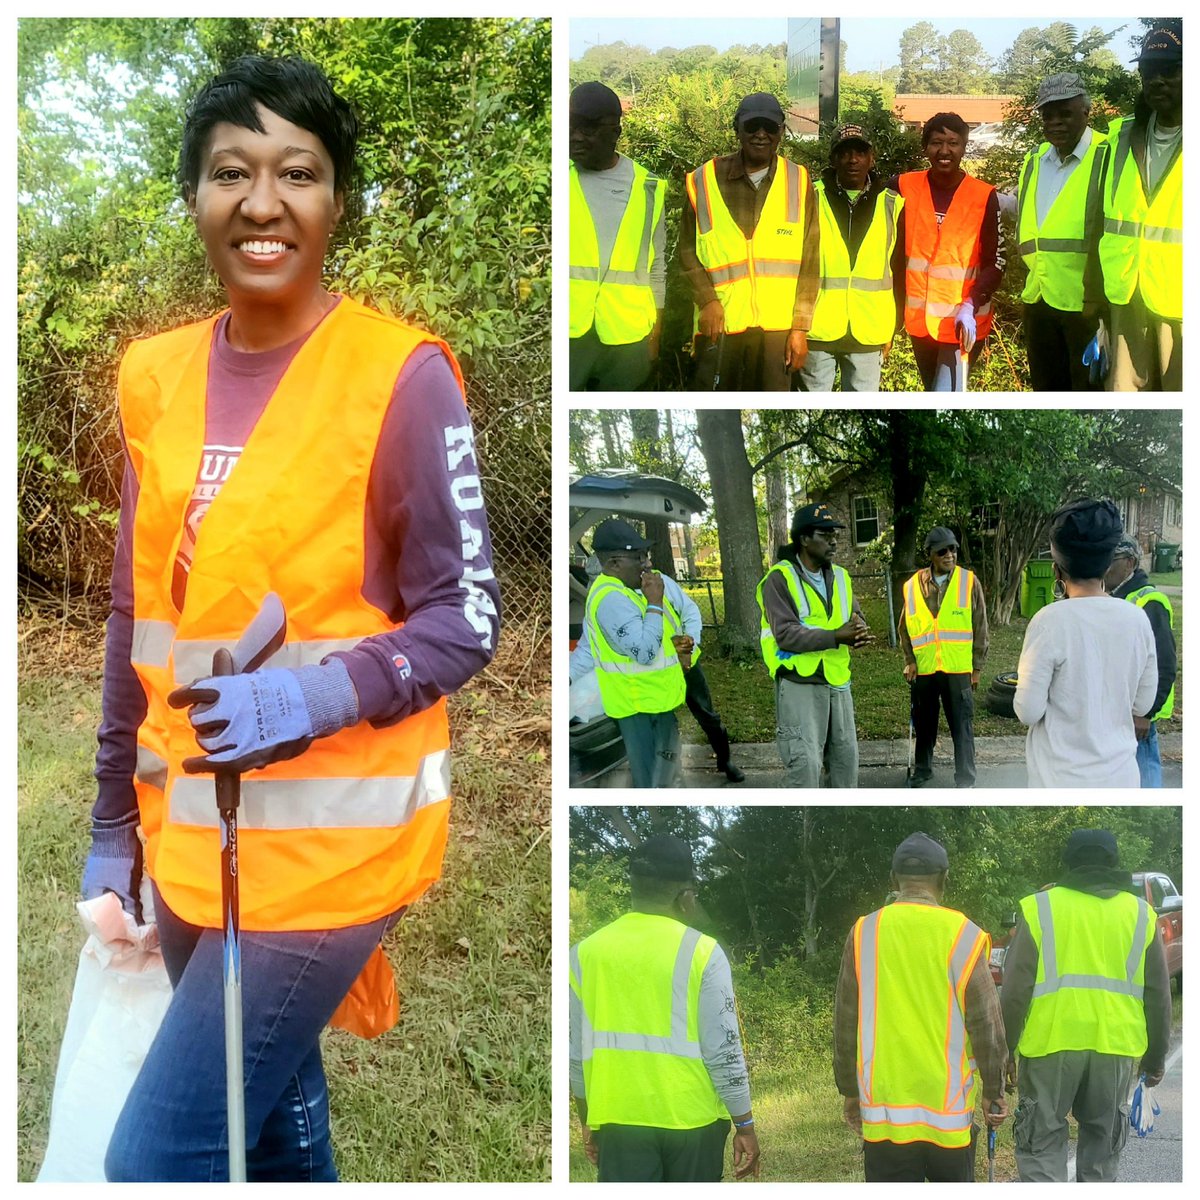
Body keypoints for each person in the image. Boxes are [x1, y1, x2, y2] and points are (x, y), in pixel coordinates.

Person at [80, 56, 500, 1182]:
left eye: (297, 173)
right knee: (269, 1101)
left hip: (329, 851)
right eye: (231, 172)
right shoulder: (154, 377)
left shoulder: (399, 377)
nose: (262, 202)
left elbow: (465, 620)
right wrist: (112, 823)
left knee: (155, 1157)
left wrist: (311, 693)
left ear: (336, 201)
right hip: (187, 837)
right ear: (195, 198)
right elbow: (138, 614)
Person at [569, 834, 760, 1183]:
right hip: (693, 1123)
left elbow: (576, 1053)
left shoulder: (585, 953)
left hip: (618, 1118)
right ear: (684, 896)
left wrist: (586, 1119)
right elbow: (724, 1050)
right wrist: (744, 1123)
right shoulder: (703, 952)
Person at [834, 833, 1008, 1183]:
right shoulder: (965, 934)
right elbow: (986, 1026)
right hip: (948, 1113)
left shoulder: (864, 931)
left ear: (893, 879)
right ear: (944, 879)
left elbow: (845, 1022)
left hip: (884, 1112)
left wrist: (850, 1091)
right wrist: (994, 1092)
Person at [1000, 829, 1171, 1182]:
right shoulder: (1141, 914)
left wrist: (1004, 1051)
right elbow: (1158, 993)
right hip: (1115, 1048)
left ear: (1068, 862)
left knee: (1041, 1146)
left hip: (1050, 1046)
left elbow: (1015, 991)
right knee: (1101, 1152)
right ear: (1114, 863)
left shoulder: (1039, 908)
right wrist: (1155, 1059)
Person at [681, 91, 819, 391]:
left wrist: (800, 328)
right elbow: (686, 251)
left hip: (777, 330)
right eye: (752, 126)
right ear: (737, 129)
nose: (760, 134)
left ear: (781, 131)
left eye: (769, 127)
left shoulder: (799, 180)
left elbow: (810, 260)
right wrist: (707, 301)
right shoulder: (702, 181)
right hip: (720, 323)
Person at [1013, 500, 1155, 788]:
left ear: (1057, 569)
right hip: (1121, 777)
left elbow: (1027, 712)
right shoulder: (1137, 619)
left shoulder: (1048, 622)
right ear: (1106, 564)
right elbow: (1143, 704)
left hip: (1057, 779)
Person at [570, 555, 744, 782]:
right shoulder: (605, 600)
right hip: (654, 679)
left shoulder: (659, 583)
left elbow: (689, 610)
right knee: (666, 731)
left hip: (686, 664)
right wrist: (568, 675)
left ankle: (725, 760)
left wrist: (690, 644)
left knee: (706, 713)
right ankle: (672, 777)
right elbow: (588, 647)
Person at [755, 503, 873, 788]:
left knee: (846, 767)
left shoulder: (841, 577)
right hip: (800, 683)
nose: (834, 540)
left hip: (838, 682)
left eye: (836, 534)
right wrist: (836, 636)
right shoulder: (779, 579)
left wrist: (858, 630)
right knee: (805, 771)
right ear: (804, 539)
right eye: (825, 534)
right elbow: (785, 634)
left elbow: (854, 615)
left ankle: (840, 825)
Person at [889, 113, 1006, 391]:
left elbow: (997, 262)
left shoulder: (984, 195)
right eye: (936, 142)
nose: (944, 151)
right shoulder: (902, 187)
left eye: (953, 143)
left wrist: (972, 303)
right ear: (925, 148)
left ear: (964, 147)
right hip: (919, 323)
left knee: (945, 395)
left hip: (962, 322)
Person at [1100, 25, 1182, 392]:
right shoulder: (1121, 136)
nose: (1158, 81)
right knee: (1124, 393)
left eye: (1170, 70)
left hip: (1180, 303)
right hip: (1127, 296)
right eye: (1149, 72)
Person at [569, 81, 666, 391]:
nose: (575, 136)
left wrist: (656, 335)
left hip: (628, 335)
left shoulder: (648, 187)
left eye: (588, 128)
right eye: (571, 125)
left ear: (615, 131)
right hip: (570, 331)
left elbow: (658, 266)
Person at [1017, 73, 1109, 391]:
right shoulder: (1034, 161)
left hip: (1086, 304)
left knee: (1087, 391)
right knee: (1046, 388)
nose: (1055, 122)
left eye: (1065, 113)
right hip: (1039, 298)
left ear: (1086, 112)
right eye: (1048, 115)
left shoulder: (1107, 155)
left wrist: (1104, 311)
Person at [798, 124, 904, 393]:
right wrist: (795, 327)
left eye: (860, 152)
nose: (853, 159)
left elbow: (899, 270)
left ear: (872, 157)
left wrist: (892, 327)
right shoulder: (810, 197)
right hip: (817, 328)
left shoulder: (892, 203)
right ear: (833, 159)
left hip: (869, 330)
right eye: (844, 152)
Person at [583, 520, 685, 787]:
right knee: (652, 781)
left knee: (666, 774)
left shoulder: (627, 590)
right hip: (639, 708)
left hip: (654, 702)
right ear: (614, 563)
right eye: (638, 557)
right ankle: (658, 823)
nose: (647, 563)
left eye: (646, 555)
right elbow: (645, 652)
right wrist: (654, 602)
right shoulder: (611, 600)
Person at [899, 527, 989, 789]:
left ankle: (965, 780)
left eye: (953, 549)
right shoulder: (912, 585)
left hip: (957, 668)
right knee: (925, 726)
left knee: (962, 728)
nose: (950, 555)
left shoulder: (968, 581)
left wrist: (977, 667)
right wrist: (910, 660)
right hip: (925, 669)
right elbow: (905, 627)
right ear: (930, 554)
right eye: (943, 551)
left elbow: (980, 625)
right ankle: (923, 770)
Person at [1103, 535, 1177, 788]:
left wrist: (1146, 714)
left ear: (1130, 563)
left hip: (1138, 718)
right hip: (1113, 712)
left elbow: (1165, 665)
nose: (1104, 567)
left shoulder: (1149, 602)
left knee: (1144, 785)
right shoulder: (1110, 598)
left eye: (1111, 560)